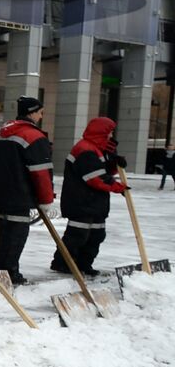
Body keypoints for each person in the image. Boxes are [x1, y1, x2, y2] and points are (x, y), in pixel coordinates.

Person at [0, 96, 54, 285]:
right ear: (31, 113)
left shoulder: (4, 133)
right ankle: (7, 274)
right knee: (16, 236)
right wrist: (46, 199)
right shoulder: (34, 137)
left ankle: (0, 272)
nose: (41, 117)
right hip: (19, 196)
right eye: (40, 112)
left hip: (1, 194)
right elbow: (40, 172)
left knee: (5, 236)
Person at [49, 117, 128, 278]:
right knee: (78, 235)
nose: (111, 134)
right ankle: (63, 263)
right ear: (102, 132)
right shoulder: (84, 149)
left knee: (96, 235)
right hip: (81, 201)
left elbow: (103, 170)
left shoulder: (97, 149)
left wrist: (113, 162)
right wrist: (117, 186)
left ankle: (84, 264)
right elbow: (95, 177)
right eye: (110, 131)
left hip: (96, 202)